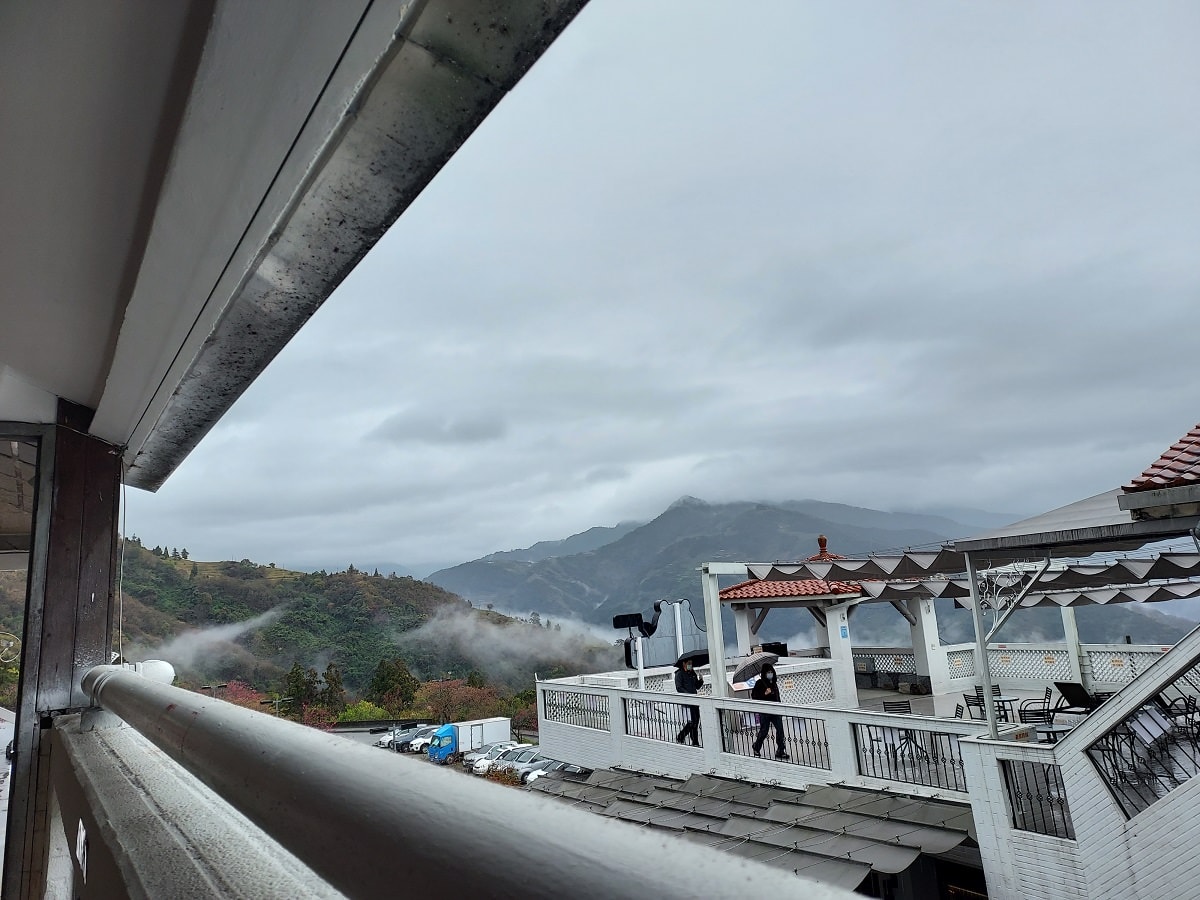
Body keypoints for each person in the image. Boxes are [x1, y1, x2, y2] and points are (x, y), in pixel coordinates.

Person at [751, 662, 788, 759]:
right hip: (765, 711)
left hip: (775, 711)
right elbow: (754, 696)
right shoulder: (759, 683)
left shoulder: (774, 684)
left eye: (771, 672)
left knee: (780, 730)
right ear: (764, 673)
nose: (770, 674)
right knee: (764, 730)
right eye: (768, 672)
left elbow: (777, 697)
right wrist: (765, 694)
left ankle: (781, 750)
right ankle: (756, 746)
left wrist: (780, 707)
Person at [674, 659, 703, 745]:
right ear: (684, 663)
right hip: (687, 702)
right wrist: (688, 695)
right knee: (691, 722)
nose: (691, 665)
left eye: (691, 663)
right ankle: (681, 736)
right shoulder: (679, 674)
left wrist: (700, 680)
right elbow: (679, 688)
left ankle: (694, 741)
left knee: (696, 722)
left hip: (695, 701)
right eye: (689, 663)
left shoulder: (692, 673)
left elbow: (697, 686)